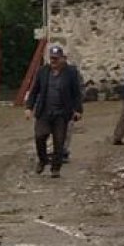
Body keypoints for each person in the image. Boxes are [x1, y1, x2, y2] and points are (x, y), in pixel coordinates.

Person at [25, 44, 83, 178]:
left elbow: (76, 93)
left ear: (62, 59)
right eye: (52, 59)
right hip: (44, 111)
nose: (54, 62)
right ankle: (43, 159)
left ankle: (55, 168)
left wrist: (78, 110)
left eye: (56, 59)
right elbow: (34, 91)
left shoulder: (70, 73)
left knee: (59, 141)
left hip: (62, 113)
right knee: (40, 136)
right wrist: (29, 107)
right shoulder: (43, 72)